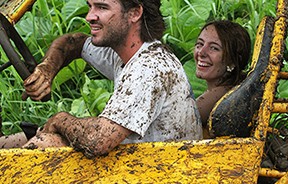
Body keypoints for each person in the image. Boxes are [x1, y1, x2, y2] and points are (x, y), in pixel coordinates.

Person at [13, 0, 202, 158]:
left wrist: (60, 120)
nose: (89, 16)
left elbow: (97, 141)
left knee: (45, 142)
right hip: (142, 160)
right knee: (20, 139)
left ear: (134, 13)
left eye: (102, 7)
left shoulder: (149, 67)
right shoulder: (127, 53)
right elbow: (74, 42)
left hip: (163, 171)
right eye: (90, 6)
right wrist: (47, 68)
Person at [194, 20, 251, 138]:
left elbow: (174, 122)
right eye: (200, 44)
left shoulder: (223, 94)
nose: (201, 52)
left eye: (214, 48)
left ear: (233, 61)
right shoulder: (238, 87)